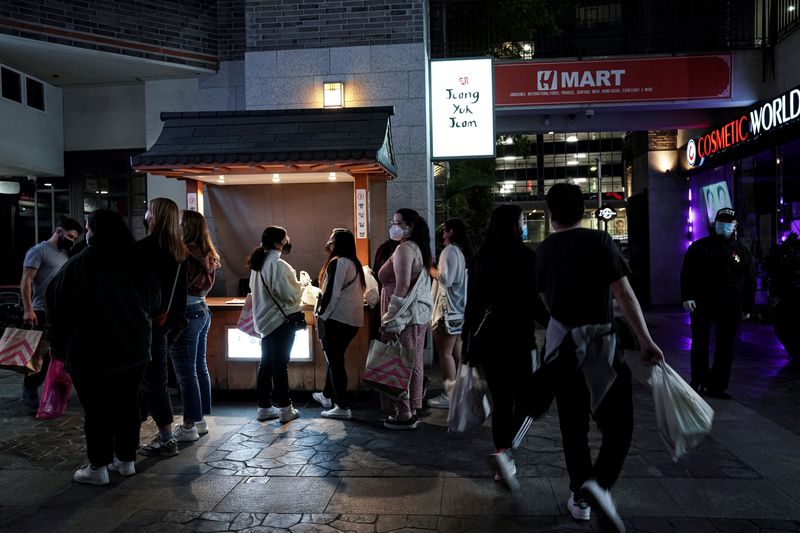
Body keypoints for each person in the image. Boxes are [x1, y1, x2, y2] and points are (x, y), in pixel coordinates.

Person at [536, 183, 663, 532]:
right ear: (584, 211)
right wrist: (646, 340)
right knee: (619, 425)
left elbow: (545, 300)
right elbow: (623, 294)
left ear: (551, 215)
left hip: (563, 351)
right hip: (602, 349)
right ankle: (600, 482)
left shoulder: (544, 250)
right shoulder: (600, 242)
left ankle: (580, 495)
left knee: (572, 426)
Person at [47, 210, 158, 485]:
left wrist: (57, 347)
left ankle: (98, 467)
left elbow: (57, 307)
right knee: (128, 404)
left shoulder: (77, 264)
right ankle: (126, 459)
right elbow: (155, 302)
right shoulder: (138, 260)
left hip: (90, 352)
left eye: (87, 228)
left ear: (94, 230)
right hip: (135, 349)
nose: (86, 233)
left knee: (97, 410)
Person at [462, 205, 549, 490]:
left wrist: (468, 346)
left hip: (488, 342)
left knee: (502, 402)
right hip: (520, 341)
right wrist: (552, 321)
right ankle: (505, 451)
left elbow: (471, 307)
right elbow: (533, 300)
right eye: (523, 221)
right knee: (531, 402)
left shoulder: (481, 259)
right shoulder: (526, 258)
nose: (524, 225)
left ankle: (502, 459)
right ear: (514, 225)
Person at [680, 207, 756, 399]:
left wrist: (747, 306)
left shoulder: (742, 252)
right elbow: (687, 274)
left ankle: (718, 386)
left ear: (735, 225)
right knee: (700, 343)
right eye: (721, 222)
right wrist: (687, 296)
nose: (724, 226)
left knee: (726, 345)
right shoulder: (699, 248)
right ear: (715, 224)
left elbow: (750, 281)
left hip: (730, 305)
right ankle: (699, 382)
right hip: (702, 304)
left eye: (728, 223)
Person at [138, 198, 189, 458]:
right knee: (156, 380)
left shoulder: (143, 249)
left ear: (154, 216)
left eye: (148, 210)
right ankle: (164, 434)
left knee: (147, 382)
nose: (145, 214)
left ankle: (166, 438)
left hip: (143, 325)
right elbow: (181, 298)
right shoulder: (181, 253)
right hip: (166, 326)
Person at [377, 208, 433, 429]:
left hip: (403, 314)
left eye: (398, 223)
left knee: (398, 361)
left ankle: (405, 412)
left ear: (410, 226)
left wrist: (391, 318)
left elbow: (401, 286)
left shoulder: (404, 249)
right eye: (393, 222)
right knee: (413, 361)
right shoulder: (419, 249)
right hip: (416, 315)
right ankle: (412, 409)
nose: (394, 226)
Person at [19, 216, 83, 408]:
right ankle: (30, 388)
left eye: (74, 238)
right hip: (41, 311)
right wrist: (28, 309)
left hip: (61, 313)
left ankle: (53, 390)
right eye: (70, 236)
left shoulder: (65, 254)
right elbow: (26, 280)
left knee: (59, 355)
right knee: (40, 355)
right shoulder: (38, 252)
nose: (72, 241)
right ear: (58, 231)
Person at [169, 210, 219, 442]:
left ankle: (189, 425)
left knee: (186, 371)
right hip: (202, 310)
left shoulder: (183, 253)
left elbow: (176, 287)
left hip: (186, 313)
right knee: (199, 366)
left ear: (186, 226)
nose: (176, 225)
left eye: (179, 222)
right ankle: (199, 420)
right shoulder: (208, 253)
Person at [248, 226, 304, 423]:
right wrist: (302, 286)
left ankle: (263, 407)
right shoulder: (279, 265)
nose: (289, 241)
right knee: (280, 365)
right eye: (286, 238)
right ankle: (285, 408)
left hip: (264, 321)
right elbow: (290, 295)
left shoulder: (258, 264)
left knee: (266, 365)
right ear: (278, 243)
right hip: (280, 321)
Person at [312, 229, 366, 420]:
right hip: (351, 321)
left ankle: (342, 406)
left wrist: (322, 316)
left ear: (338, 243)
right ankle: (327, 395)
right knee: (335, 359)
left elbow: (332, 294)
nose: (328, 242)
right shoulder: (353, 262)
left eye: (331, 239)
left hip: (337, 320)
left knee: (335, 362)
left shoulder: (338, 262)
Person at [428, 218, 473, 409]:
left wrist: (430, 268)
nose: (442, 233)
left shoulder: (449, 251)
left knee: (445, 354)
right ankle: (459, 392)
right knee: (456, 353)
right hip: (459, 311)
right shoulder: (461, 252)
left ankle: (449, 395)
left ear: (451, 232)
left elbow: (445, 278)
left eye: (444, 230)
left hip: (447, 312)